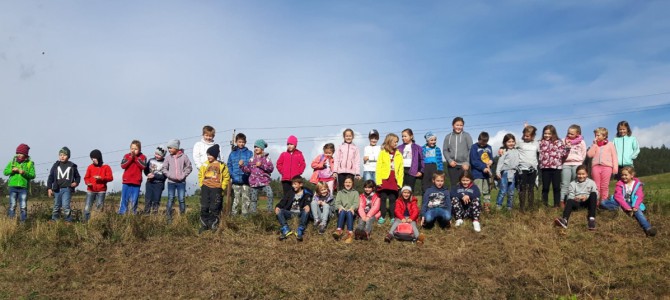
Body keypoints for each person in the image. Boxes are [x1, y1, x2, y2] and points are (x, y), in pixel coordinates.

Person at [600, 167, 657, 237]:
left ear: (632, 175)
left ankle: (648, 228)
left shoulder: (637, 184)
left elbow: (639, 196)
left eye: (626, 175)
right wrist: (626, 207)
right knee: (603, 203)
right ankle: (625, 210)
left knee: (638, 212)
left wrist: (635, 206)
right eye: (622, 175)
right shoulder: (619, 184)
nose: (623, 177)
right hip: (622, 203)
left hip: (633, 203)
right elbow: (618, 196)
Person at [197, 144, 230, 233]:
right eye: (207, 155)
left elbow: (226, 177)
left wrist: (222, 187)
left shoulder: (222, 165)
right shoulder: (205, 164)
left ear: (215, 155)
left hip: (216, 188)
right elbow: (200, 174)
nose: (208, 157)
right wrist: (202, 185)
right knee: (204, 206)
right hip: (206, 188)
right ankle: (204, 225)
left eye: (210, 155)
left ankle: (213, 225)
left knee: (214, 207)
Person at [554, 165, 598, 231]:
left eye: (583, 174)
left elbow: (596, 194)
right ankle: (565, 220)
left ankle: (591, 219)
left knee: (593, 194)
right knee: (569, 200)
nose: (581, 176)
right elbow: (571, 196)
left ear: (587, 174)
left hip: (587, 202)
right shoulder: (572, 184)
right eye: (579, 174)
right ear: (576, 174)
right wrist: (575, 198)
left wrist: (586, 197)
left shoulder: (591, 182)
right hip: (577, 202)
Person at [161, 139, 193, 221]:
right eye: (168, 148)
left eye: (171, 148)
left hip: (181, 182)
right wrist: (170, 175)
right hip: (171, 182)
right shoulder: (168, 158)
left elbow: (189, 167)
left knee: (181, 199)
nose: (169, 150)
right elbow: (164, 168)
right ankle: (168, 218)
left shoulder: (184, 156)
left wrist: (183, 175)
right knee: (170, 199)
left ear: (176, 147)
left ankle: (182, 218)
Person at [375, 133, 404, 225]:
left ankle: (392, 217)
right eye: (394, 142)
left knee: (392, 198)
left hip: (394, 179)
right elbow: (378, 167)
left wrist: (400, 182)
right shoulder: (383, 153)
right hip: (384, 179)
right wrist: (378, 180)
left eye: (397, 142)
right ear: (389, 141)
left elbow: (401, 170)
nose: (396, 143)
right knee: (383, 198)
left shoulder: (399, 154)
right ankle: (382, 216)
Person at [47, 147, 81, 222]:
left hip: (67, 189)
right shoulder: (56, 165)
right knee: (56, 206)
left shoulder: (72, 166)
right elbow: (51, 177)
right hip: (57, 189)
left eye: (64, 155)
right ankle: (54, 220)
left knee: (66, 206)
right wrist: (49, 188)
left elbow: (78, 177)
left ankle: (68, 221)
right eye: (60, 155)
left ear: (68, 156)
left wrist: (76, 182)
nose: (62, 156)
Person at [4, 144, 36, 222]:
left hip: (23, 188)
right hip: (13, 187)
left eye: (21, 153)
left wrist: (24, 173)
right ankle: (11, 222)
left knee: (23, 206)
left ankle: (23, 223)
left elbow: (33, 175)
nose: (19, 155)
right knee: (12, 205)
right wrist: (12, 170)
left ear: (25, 154)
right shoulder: (12, 162)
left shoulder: (29, 164)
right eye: (18, 153)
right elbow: (5, 172)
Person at [241, 139, 274, 213]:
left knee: (270, 194)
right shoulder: (251, 159)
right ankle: (253, 215)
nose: (256, 148)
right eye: (255, 147)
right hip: (254, 183)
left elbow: (271, 169)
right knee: (253, 199)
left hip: (264, 182)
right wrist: (242, 166)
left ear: (262, 148)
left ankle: (269, 212)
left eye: (258, 147)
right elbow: (248, 170)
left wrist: (261, 165)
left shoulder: (267, 159)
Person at [275, 176, 312, 241]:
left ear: (301, 184)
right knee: (280, 211)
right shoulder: (290, 192)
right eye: (292, 184)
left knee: (306, 210)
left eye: (295, 184)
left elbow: (308, 201)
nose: (293, 186)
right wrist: (278, 206)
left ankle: (300, 229)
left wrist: (307, 205)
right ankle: (285, 228)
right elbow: (283, 201)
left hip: (300, 213)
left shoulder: (306, 193)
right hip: (290, 213)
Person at [587, 127, 618, 204]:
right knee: (596, 186)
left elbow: (614, 156)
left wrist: (615, 168)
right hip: (595, 167)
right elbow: (589, 155)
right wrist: (594, 145)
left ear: (604, 136)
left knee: (604, 185)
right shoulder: (595, 145)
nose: (596, 137)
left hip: (607, 167)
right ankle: (596, 202)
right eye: (595, 135)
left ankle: (604, 202)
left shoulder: (610, 144)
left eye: (598, 135)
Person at [560, 124, 587, 206]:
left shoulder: (581, 142)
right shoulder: (563, 140)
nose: (569, 135)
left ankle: (572, 201)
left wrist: (580, 161)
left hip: (577, 164)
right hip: (566, 164)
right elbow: (561, 152)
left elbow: (584, 152)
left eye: (572, 134)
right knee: (565, 183)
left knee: (574, 183)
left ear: (577, 134)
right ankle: (562, 201)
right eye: (568, 133)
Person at [83, 149, 113, 221]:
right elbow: (86, 177)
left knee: (99, 208)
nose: (93, 160)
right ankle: (85, 223)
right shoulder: (90, 167)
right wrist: (88, 183)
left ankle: (96, 222)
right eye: (92, 158)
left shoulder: (106, 167)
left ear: (99, 157)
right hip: (90, 190)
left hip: (101, 191)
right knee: (87, 207)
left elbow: (110, 178)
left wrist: (101, 178)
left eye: (94, 158)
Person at [443, 117, 473, 188]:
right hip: (452, 165)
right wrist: (449, 160)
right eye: (457, 125)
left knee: (465, 185)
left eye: (461, 125)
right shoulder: (448, 137)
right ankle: (454, 199)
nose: (459, 127)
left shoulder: (467, 135)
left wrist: (467, 163)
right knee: (454, 185)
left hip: (464, 165)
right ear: (453, 125)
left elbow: (471, 149)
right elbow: (445, 150)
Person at [119, 140, 147, 215]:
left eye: (135, 149)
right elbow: (123, 165)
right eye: (132, 148)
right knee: (124, 199)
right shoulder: (126, 156)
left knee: (134, 200)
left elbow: (143, 166)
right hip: (126, 181)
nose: (133, 150)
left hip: (136, 182)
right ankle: (122, 213)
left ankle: (132, 214)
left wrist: (136, 159)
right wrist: (131, 158)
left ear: (140, 149)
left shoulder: (143, 157)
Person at [539, 125, 564, 207]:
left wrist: (567, 148)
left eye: (549, 133)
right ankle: (544, 205)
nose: (547, 135)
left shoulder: (559, 142)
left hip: (556, 168)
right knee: (545, 188)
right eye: (545, 133)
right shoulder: (540, 142)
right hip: (545, 168)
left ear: (553, 133)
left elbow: (563, 153)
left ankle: (556, 205)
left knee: (556, 187)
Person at [228, 133, 253, 215]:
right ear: (236, 142)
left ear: (245, 142)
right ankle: (234, 215)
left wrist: (249, 175)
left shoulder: (249, 153)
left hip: (246, 180)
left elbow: (252, 165)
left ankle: (245, 216)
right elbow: (229, 165)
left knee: (246, 199)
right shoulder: (232, 153)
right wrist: (232, 175)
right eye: (239, 142)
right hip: (235, 180)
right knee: (236, 199)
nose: (241, 143)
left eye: (243, 142)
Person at [469, 132, 494, 212]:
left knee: (487, 191)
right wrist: (483, 168)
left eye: (485, 142)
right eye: (482, 142)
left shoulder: (489, 147)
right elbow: (474, 161)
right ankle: (477, 207)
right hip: (477, 174)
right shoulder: (474, 147)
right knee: (477, 191)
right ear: (478, 139)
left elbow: (491, 158)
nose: (483, 144)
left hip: (487, 174)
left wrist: (491, 161)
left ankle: (486, 207)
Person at [517, 124, 539, 211]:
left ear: (533, 136)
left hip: (532, 169)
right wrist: (502, 149)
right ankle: (521, 207)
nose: (525, 137)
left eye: (528, 136)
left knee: (531, 188)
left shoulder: (536, 144)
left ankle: (530, 207)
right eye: (524, 135)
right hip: (522, 169)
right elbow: (510, 146)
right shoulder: (520, 143)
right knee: (522, 187)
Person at [332, 176, 359, 243]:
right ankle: (339, 230)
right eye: (346, 182)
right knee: (342, 211)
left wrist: (352, 208)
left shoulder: (355, 192)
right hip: (342, 211)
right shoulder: (340, 192)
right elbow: (337, 203)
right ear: (343, 183)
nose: (348, 184)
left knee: (349, 212)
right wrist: (340, 207)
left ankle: (350, 233)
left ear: (352, 183)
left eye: (349, 182)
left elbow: (356, 203)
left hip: (351, 211)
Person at [495, 134, 519, 210]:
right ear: (505, 143)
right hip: (505, 172)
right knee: (503, 190)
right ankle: (498, 206)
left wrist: (525, 128)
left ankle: (509, 207)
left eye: (512, 141)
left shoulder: (517, 150)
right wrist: (498, 172)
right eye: (509, 142)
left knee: (511, 191)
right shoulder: (504, 151)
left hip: (514, 172)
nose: (511, 143)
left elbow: (522, 143)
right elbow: (500, 162)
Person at [143, 146, 167, 215]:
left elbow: (164, 176)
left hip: (159, 184)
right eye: (156, 153)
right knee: (148, 199)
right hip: (149, 183)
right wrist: (148, 174)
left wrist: (155, 176)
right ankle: (146, 214)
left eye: (159, 155)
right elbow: (146, 169)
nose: (157, 155)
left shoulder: (165, 163)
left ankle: (154, 214)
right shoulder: (151, 160)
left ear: (163, 155)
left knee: (156, 200)